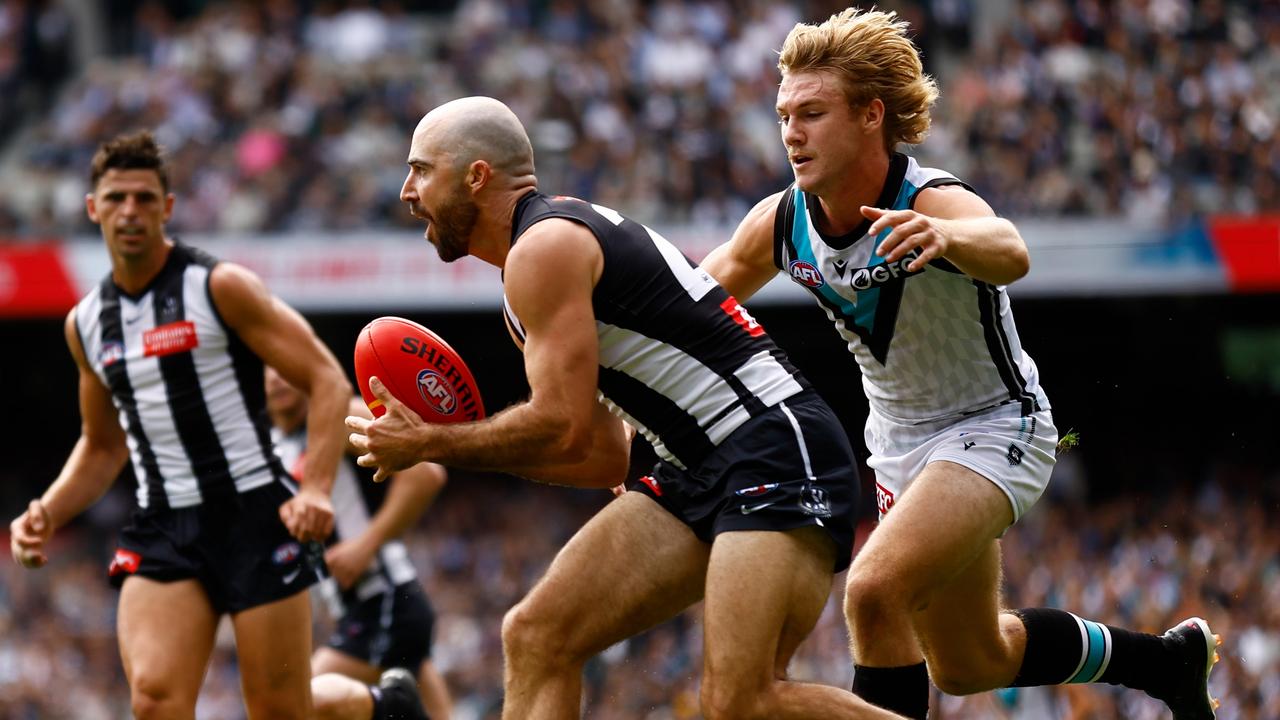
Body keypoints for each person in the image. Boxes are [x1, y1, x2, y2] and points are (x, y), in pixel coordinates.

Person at [699, 8, 1222, 720]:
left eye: (812, 113)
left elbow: (1010, 250)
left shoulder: (931, 197)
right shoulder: (784, 220)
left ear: (870, 115)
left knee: (872, 591)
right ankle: (1164, 663)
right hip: (899, 450)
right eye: (785, 113)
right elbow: (698, 296)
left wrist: (944, 235)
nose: (791, 132)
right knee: (973, 662)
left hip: (994, 426)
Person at [347, 95, 909, 720]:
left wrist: (432, 441)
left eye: (421, 169)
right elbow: (601, 455)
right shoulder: (532, 270)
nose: (406, 191)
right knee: (536, 637)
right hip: (695, 467)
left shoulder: (545, 248)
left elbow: (558, 426)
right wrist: (455, 443)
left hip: (772, 447)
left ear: (476, 176)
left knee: (741, 701)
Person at [7, 131, 351, 719]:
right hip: (164, 524)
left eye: (144, 198)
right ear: (93, 208)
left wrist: (316, 487)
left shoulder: (219, 287)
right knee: (154, 701)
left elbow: (327, 380)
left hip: (255, 516)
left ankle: (370, 704)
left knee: (279, 709)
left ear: (167, 207)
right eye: (115, 198)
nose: (130, 211)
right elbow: (102, 444)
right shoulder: (86, 323)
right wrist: (49, 511)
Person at [265, 365, 452, 720]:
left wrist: (364, 545)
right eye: (266, 368)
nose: (276, 377)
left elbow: (426, 474)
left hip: (385, 598)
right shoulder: (272, 447)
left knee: (299, 705)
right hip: (357, 609)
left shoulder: (341, 415)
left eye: (284, 365)